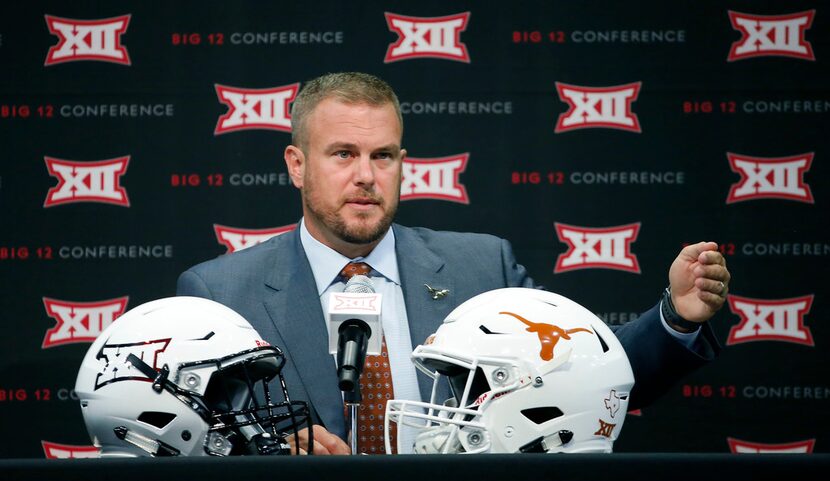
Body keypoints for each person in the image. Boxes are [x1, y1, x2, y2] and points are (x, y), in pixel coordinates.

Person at [177, 72, 731, 455]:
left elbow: (585, 376)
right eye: (343, 154)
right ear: (297, 165)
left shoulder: (481, 267)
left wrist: (675, 318)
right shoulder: (223, 293)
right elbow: (185, 438)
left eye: (383, 155)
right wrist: (263, 447)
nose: (367, 175)